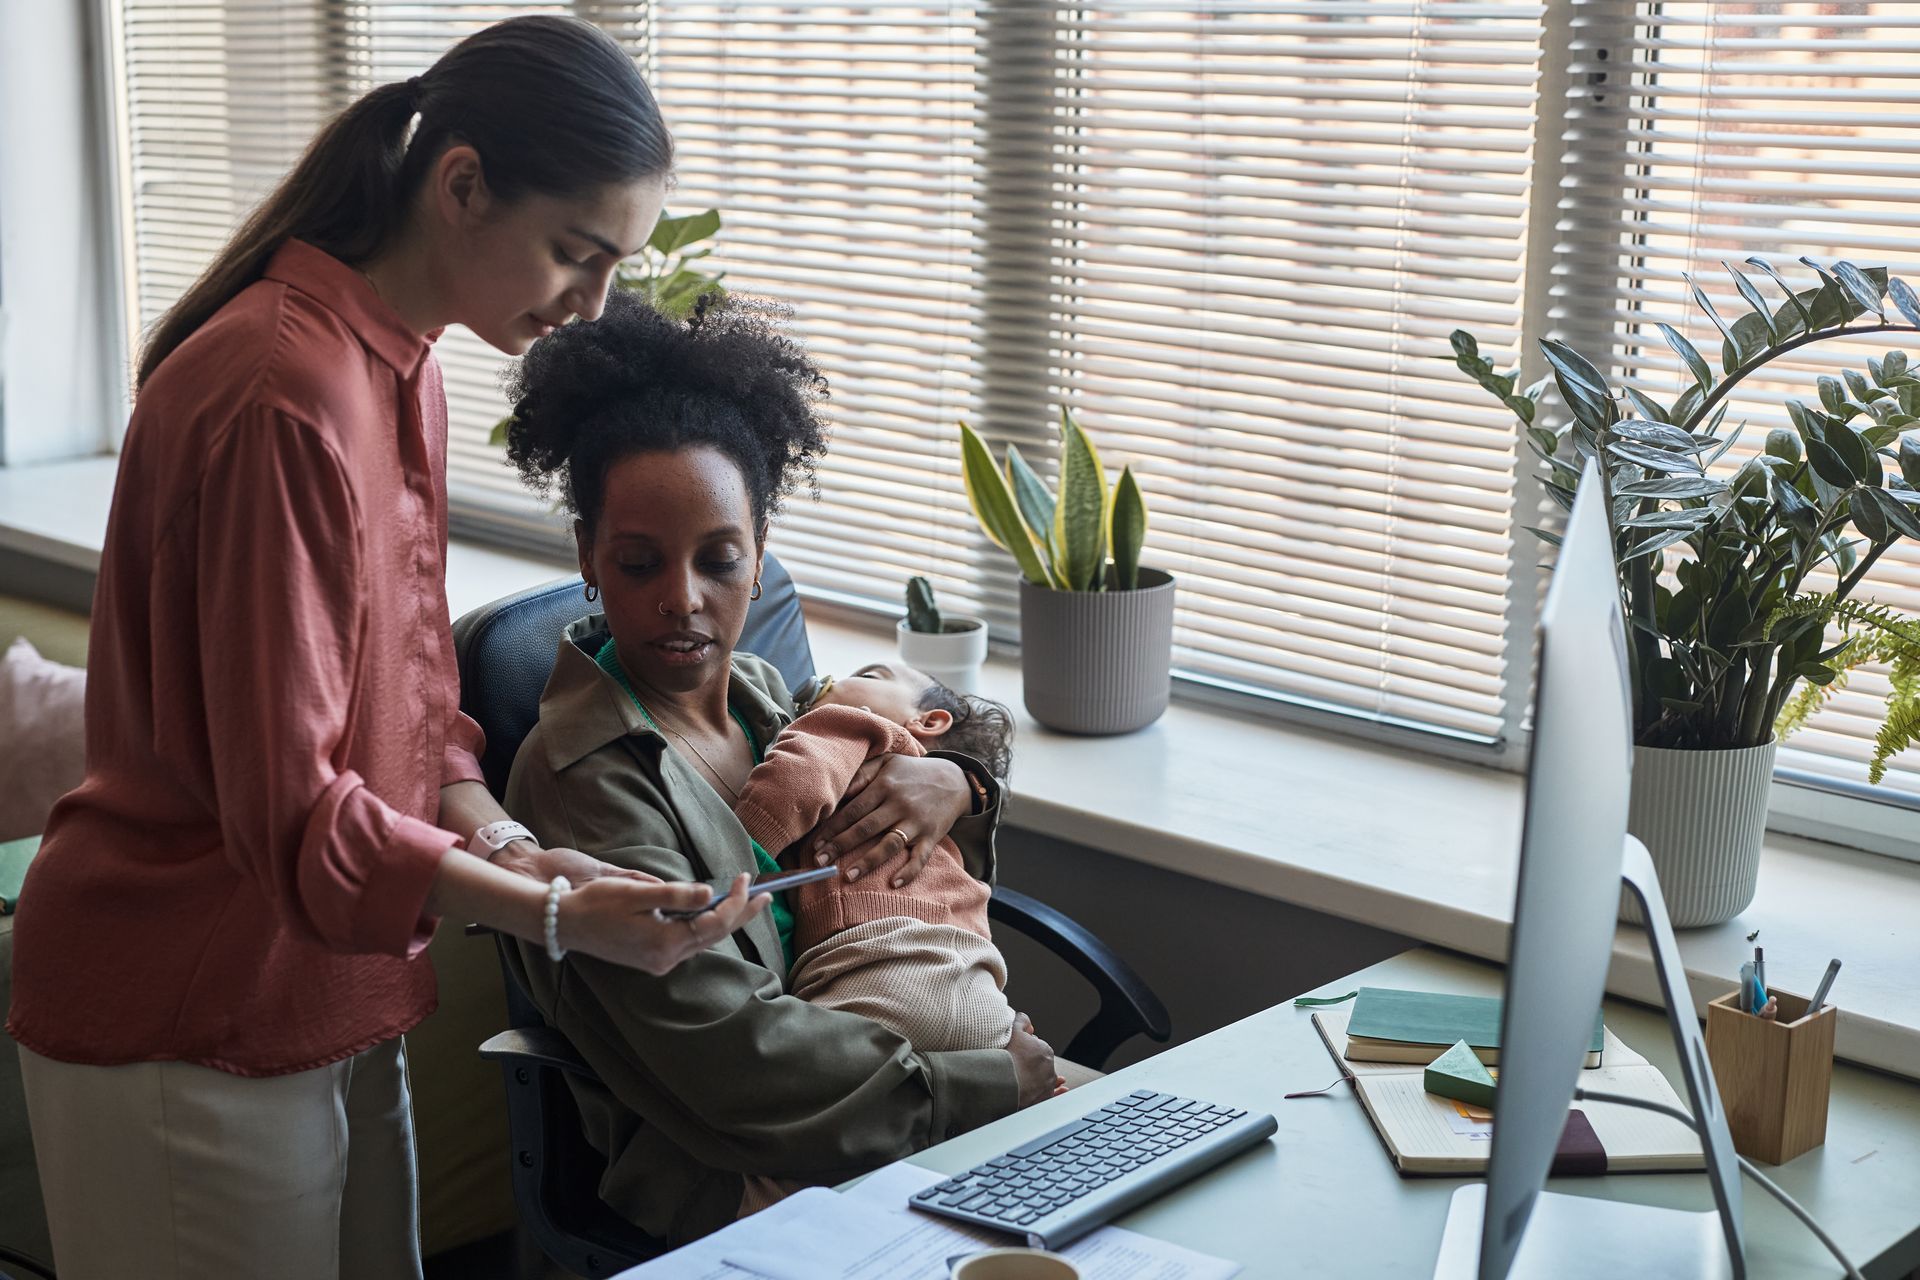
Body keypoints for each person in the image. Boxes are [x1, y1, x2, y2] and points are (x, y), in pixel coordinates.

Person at [6, 18, 763, 1280]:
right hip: (187, 1009)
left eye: (617, 266)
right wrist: (558, 914)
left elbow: (413, 707)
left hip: (328, 987)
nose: (593, 306)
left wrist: (519, 846)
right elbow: (299, 806)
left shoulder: (403, 367)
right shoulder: (278, 393)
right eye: (577, 254)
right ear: (461, 184)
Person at [500, 289, 1059, 1245]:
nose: (684, 600)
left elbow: (907, 786)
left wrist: (957, 782)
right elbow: (731, 1057)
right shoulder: (582, 776)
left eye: (718, 560)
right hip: (743, 1175)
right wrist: (986, 1083)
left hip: (898, 1105)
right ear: (588, 554)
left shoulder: (765, 694)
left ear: (760, 558)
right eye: (639, 563)